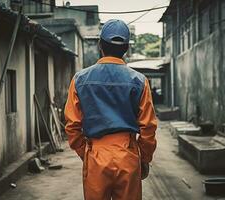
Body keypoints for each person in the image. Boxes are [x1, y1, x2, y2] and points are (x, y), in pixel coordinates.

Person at [64, 19, 157, 200]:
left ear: (100, 45)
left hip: (96, 154)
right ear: (127, 48)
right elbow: (148, 127)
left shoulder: (80, 79)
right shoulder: (139, 81)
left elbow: (72, 125)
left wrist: (86, 153)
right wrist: (143, 158)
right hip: (127, 155)